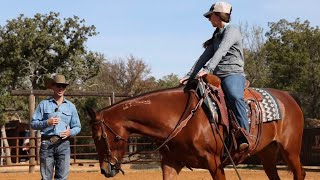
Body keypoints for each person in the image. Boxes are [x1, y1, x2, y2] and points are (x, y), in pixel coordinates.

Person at [179, 1, 249, 151]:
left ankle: (244, 133)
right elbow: (204, 56)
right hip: (217, 75)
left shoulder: (232, 31)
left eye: (210, 16)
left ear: (218, 16)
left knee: (235, 96)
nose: (209, 19)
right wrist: (189, 75)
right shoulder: (216, 35)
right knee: (196, 93)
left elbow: (221, 51)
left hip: (233, 73)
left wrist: (208, 69)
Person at [31, 74, 81, 180]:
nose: (61, 88)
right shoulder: (43, 104)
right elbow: (33, 124)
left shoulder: (71, 106)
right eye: (58, 85)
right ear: (52, 87)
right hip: (47, 144)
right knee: (46, 178)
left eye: (63, 86)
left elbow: (77, 126)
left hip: (64, 144)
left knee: (62, 178)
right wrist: (47, 122)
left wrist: (70, 132)